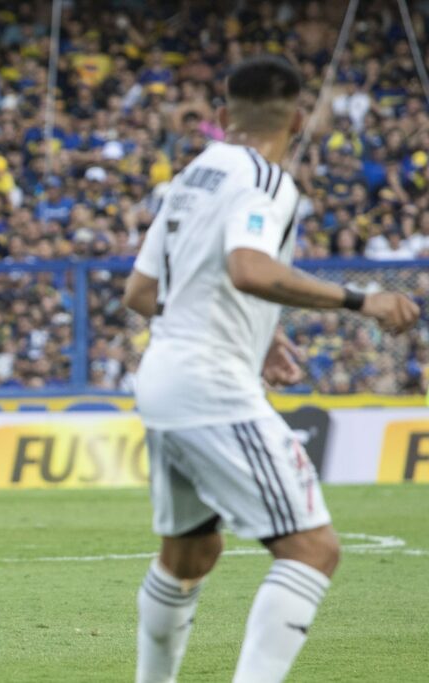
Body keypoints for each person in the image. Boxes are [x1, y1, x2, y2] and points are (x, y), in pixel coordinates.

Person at [122, 56, 419, 683]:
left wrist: (257, 337)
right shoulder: (266, 179)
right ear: (299, 120)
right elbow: (250, 269)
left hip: (163, 377)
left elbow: (141, 293)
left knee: (190, 553)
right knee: (312, 549)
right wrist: (361, 301)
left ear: (222, 115)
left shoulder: (193, 176)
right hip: (211, 385)